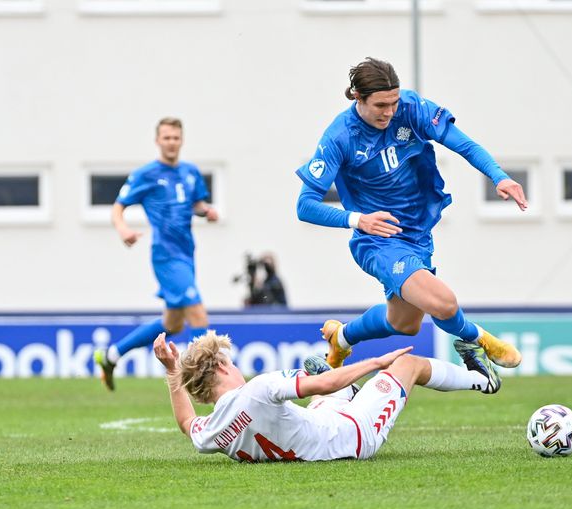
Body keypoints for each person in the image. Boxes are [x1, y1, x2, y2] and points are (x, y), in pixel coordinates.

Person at [295, 57, 528, 370]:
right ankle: (482, 340)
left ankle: (341, 339)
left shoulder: (411, 108)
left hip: (418, 233)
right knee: (442, 303)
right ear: (357, 98)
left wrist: (499, 176)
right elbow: (305, 205)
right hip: (378, 239)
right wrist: (358, 220)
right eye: (380, 105)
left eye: (393, 102)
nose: (389, 112)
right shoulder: (340, 137)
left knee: (405, 323)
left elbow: (464, 145)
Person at [153, 329, 500, 462]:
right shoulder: (258, 388)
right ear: (221, 367)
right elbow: (322, 385)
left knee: (323, 388)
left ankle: (348, 387)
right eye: (230, 360)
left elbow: (186, 422)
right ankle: (483, 379)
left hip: (317, 427)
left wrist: (172, 371)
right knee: (407, 365)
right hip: (354, 434)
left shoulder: (211, 432)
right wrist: (377, 362)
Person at [94, 117, 218, 391]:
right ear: (157, 141)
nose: (171, 142)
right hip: (165, 255)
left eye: (176, 137)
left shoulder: (190, 172)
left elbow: (195, 203)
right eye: (166, 137)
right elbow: (118, 207)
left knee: (172, 323)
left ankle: (112, 355)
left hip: (186, 253)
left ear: (181, 140)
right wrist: (123, 229)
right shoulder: (146, 174)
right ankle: (209, 382)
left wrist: (205, 211)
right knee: (198, 315)